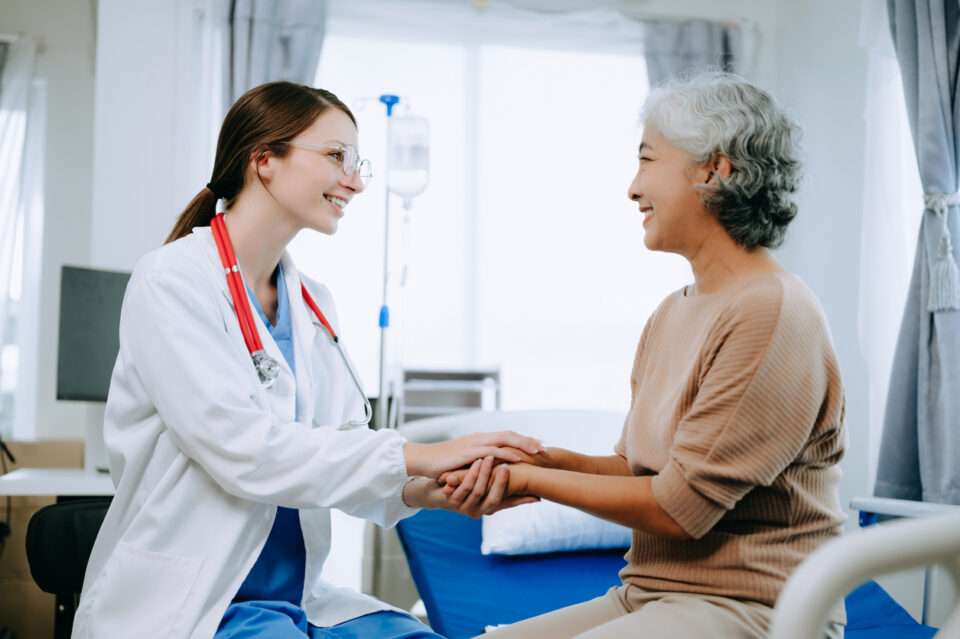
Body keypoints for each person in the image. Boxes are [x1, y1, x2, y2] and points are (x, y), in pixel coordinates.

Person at [72, 81, 541, 639]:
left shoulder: (314, 302)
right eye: (337, 156)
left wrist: (425, 489)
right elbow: (244, 451)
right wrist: (420, 453)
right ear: (264, 159)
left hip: (297, 598)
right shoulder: (171, 282)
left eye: (357, 161)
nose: (358, 180)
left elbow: (342, 445)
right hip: (197, 602)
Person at [445, 71, 847, 639]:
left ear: (715, 168)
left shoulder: (771, 311)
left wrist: (523, 481)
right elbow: (641, 474)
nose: (632, 189)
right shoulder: (672, 313)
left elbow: (677, 508)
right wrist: (538, 461)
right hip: (651, 596)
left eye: (648, 161)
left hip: (758, 609)